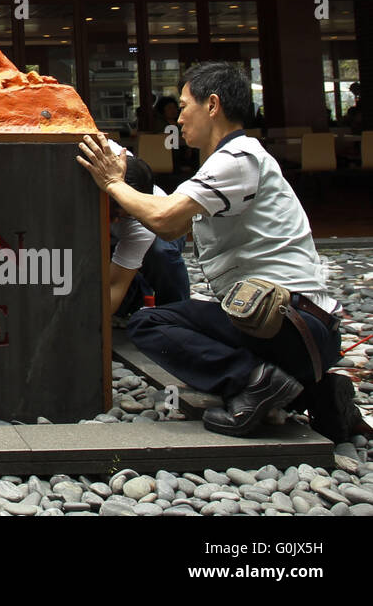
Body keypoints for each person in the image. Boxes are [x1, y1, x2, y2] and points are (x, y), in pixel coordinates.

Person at [78, 61, 363, 440]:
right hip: (290, 322)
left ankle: (257, 382)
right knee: (184, 325)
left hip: (291, 321)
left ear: (212, 106)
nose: (178, 118)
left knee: (151, 324)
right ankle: (312, 392)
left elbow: (165, 219)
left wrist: (113, 183)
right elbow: (176, 225)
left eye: (184, 106)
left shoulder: (238, 158)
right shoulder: (232, 160)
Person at [105, 149, 190, 316]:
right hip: (120, 232)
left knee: (160, 254)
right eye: (114, 213)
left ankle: (176, 314)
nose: (115, 220)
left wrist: (88, 329)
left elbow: (114, 285)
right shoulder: (108, 155)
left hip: (164, 228)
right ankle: (135, 297)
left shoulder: (140, 225)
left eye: (121, 215)